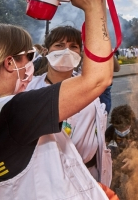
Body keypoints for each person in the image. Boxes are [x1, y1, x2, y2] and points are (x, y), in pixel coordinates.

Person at [0, 0, 114, 198]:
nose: (31, 66)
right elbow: (98, 79)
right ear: (10, 63)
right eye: (30, 57)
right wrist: (93, 7)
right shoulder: (17, 111)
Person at [26, 25, 112, 187]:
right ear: (46, 51)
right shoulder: (31, 89)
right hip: (45, 180)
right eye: (59, 45)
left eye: (73, 46)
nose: (67, 51)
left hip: (88, 177)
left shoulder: (90, 88)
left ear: (80, 53)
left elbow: (104, 68)